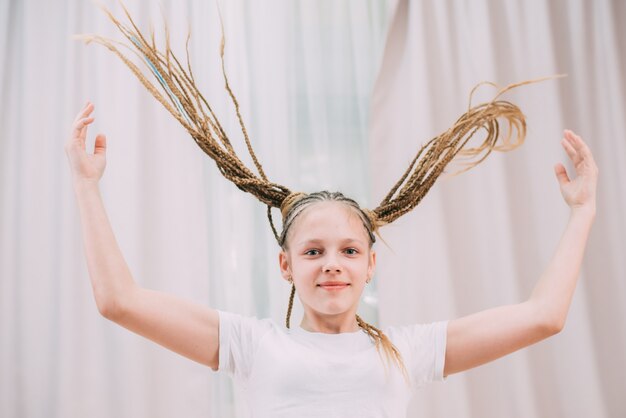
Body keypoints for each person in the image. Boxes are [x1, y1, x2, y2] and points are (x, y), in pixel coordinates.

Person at [66, 100, 598, 417]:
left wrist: (582, 212)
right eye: (313, 252)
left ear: (371, 265)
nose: (332, 264)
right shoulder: (251, 345)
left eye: (349, 251)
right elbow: (119, 301)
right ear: (285, 266)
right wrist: (87, 186)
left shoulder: (407, 351)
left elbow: (543, 317)